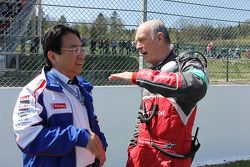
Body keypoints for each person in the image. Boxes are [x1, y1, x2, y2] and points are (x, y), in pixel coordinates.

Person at [109, 20, 209, 167]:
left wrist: (139, 76)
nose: (137, 46)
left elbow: (198, 85)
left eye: (142, 40)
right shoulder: (150, 73)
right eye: (136, 42)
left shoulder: (186, 63)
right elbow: (143, 117)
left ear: (160, 37)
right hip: (140, 157)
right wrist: (132, 150)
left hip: (170, 159)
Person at [13, 24, 107, 167]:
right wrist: (78, 136)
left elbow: (92, 125)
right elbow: (28, 138)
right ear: (52, 56)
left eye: (82, 49)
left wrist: (101, 147)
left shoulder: (82, 88)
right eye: (74, 49)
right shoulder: (35, 91)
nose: (81, 55)